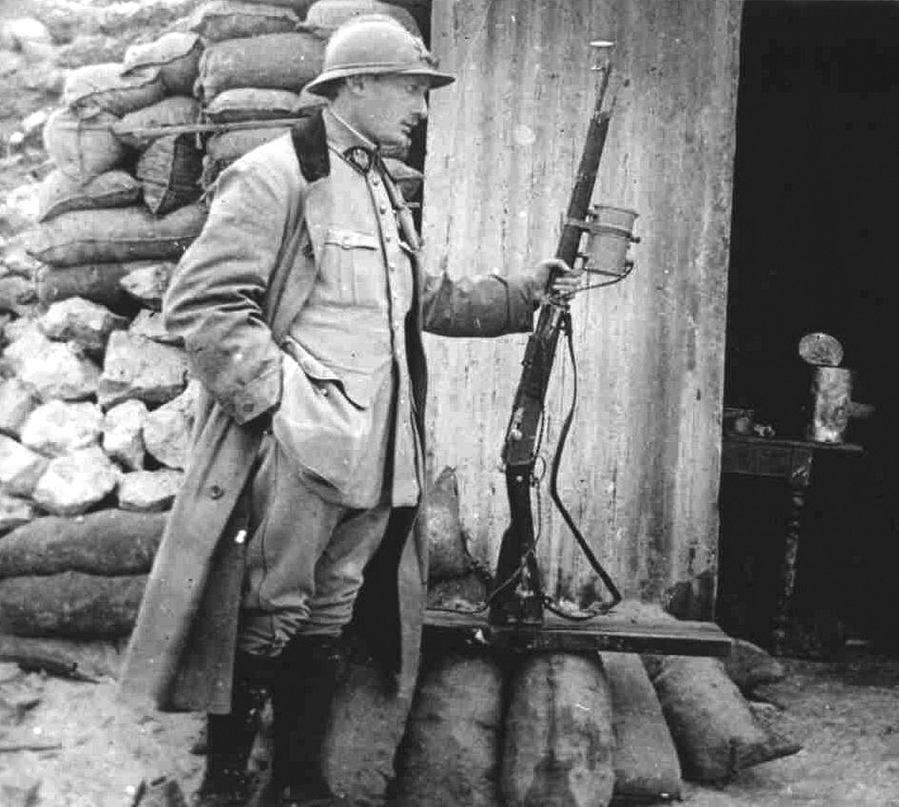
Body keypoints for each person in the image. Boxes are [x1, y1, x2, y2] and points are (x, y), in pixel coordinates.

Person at [118, 13, 581, 807]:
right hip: (308, 451)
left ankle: (298, 785)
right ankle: (225, 787)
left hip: (381, 454)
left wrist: (525, 293)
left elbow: (423, 300)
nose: (421, 107)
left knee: (327, 615)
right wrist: (283, 409)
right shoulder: (278, 175)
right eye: (410, 87)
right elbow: (202, 304)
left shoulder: (378, 188)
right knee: (267, 614)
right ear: (355, 85)